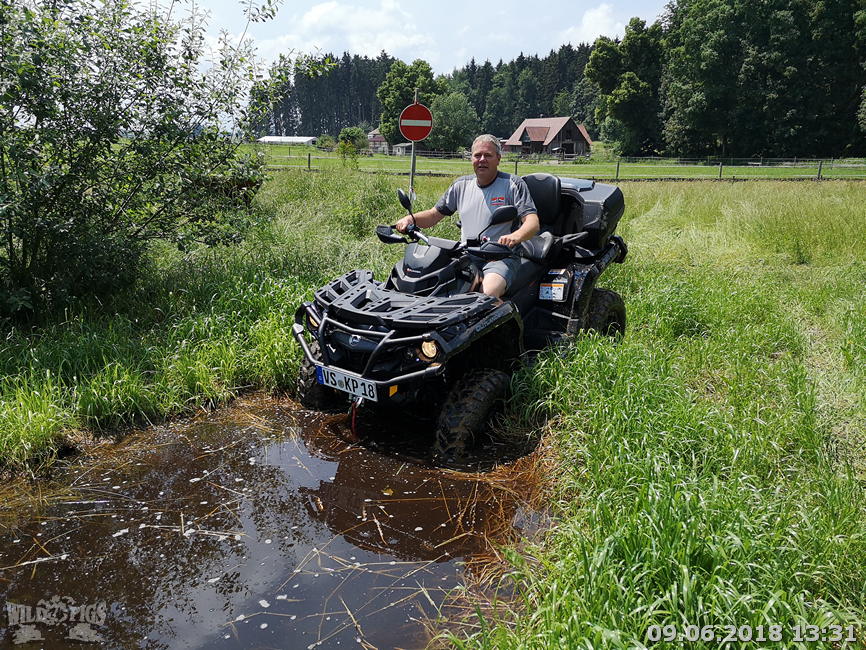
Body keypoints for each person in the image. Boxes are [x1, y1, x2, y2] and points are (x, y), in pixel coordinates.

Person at [395, 134, 539, 298]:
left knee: (487, 294)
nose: (482, 159)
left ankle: (506, 321)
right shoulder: (460, 185)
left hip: (501, 257)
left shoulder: (513, 184)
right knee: (432, 285)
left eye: (488, 155)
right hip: (466, 255)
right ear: (471, 158)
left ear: (498, 159)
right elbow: (434, 214)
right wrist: (410, 219)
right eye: (477, 155)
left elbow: (532, 222)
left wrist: (515, 236)